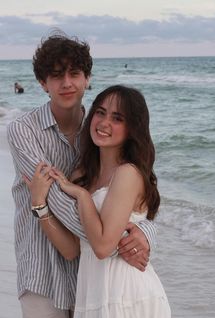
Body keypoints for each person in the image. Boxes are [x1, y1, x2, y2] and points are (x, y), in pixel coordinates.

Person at [7, 31, 158, 318]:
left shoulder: (100, 133)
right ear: (42, 83)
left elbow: (137, 192)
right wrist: (113, 242)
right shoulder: (23, 131)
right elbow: (58, 200)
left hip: (94, 280)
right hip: (43, 271)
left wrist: (148, 230)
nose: (66, 83)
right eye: (55, 75)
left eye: (75, 73)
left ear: (87, 79)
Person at [25, 85, 171, 317]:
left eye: (117, 118)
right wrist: (40, 204)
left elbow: (103, 247)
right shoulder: (81, 175)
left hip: (127, 294)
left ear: (133, 129)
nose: (104, 123)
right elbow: (72, 249)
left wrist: (82, 196)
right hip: (92, 293)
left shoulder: (128, 174)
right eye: (100, 112)